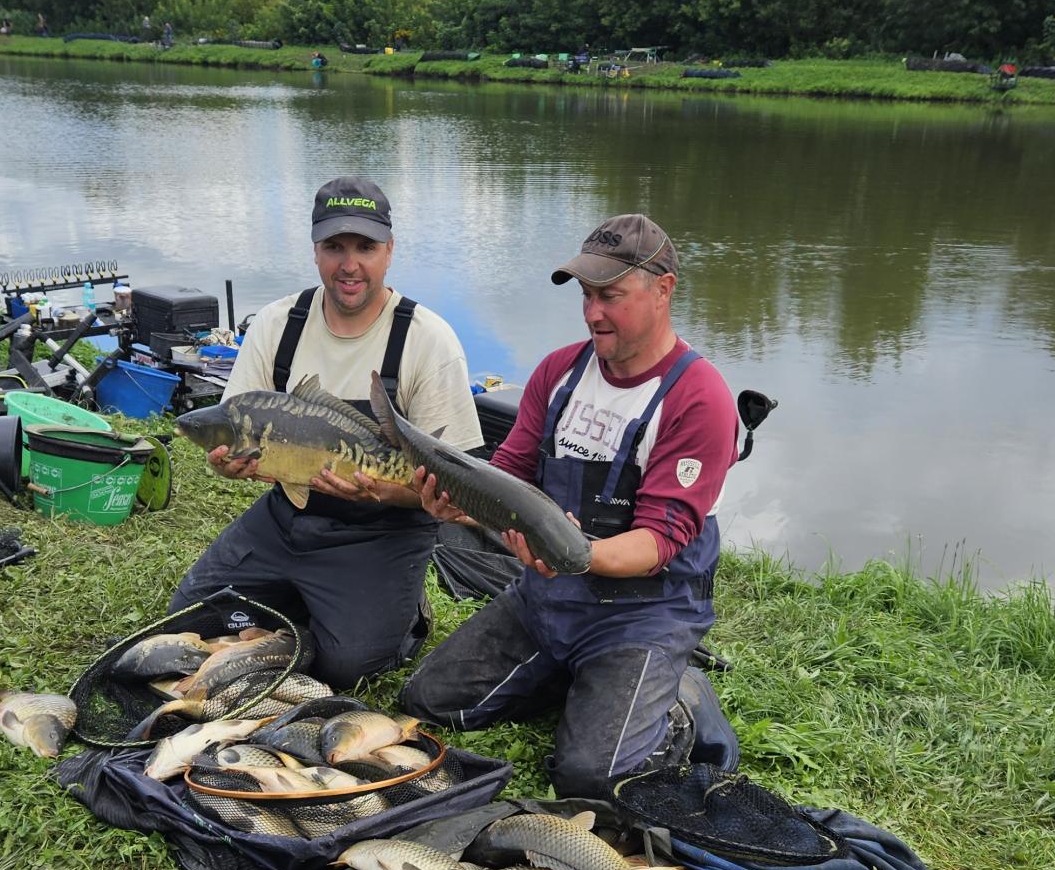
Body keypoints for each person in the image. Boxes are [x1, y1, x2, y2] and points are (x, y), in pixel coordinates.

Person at [403, 213, 739, 796]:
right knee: (428, 701)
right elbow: (507, 474)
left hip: (642, 615)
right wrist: (461, 505)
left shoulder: (699, 398)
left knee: (589, 776)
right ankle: (585, 682)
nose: (592, 313)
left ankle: (677, 694)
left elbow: (659, 542)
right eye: (586, 295)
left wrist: (570, 553)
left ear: (663, 290)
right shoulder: (560, 371)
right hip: (547, 597)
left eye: (610, 296)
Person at [169, 175, 482, 690]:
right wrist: (228, 466)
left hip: (383, 528)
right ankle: (305, 593)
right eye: (335, 247)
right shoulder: (278, 323)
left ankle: (404, 613)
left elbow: (453, 481)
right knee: (189, 622)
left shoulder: (427, 340)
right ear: (315, 250)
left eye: (365, 247)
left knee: (347, 667)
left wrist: (383, 490)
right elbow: (234, 427)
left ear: (389, 251)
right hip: (288, 515)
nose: (349, 264)